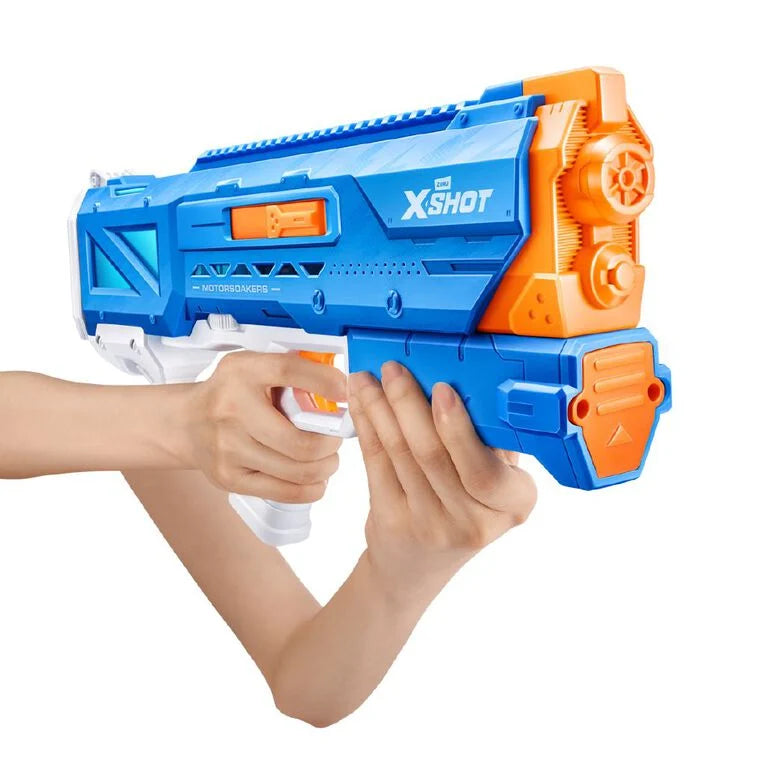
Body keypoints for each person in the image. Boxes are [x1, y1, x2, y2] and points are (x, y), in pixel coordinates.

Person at [0, 354, 537, 727]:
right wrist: (183, 420)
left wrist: (401, 572)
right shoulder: (149, 428)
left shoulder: (138, 431)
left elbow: (305, 682)